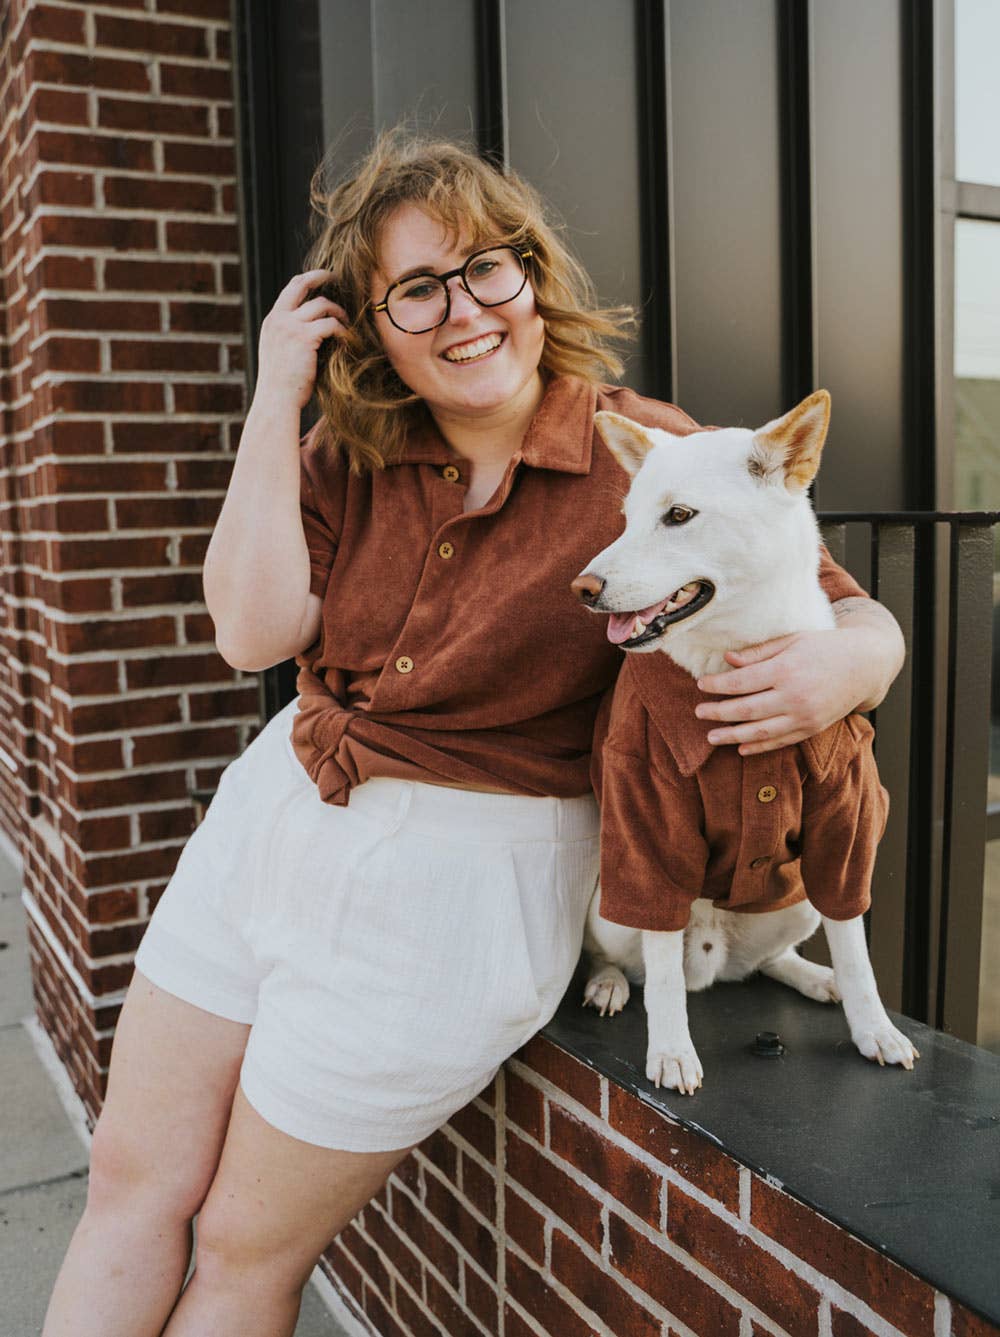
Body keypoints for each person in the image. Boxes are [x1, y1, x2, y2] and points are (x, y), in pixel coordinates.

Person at [42, 130, 904, 1337]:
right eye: (416, 288)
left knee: (239, 1250)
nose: (464, 312)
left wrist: (856, 667)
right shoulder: (352, 450)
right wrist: (274, 395)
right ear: (371, 321)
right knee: (131, 1190)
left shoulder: (642, 443)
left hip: (458, 884)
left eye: (487, 269)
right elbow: (248, 633)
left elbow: (840, 607)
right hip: (275, 813)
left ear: (531, 274)